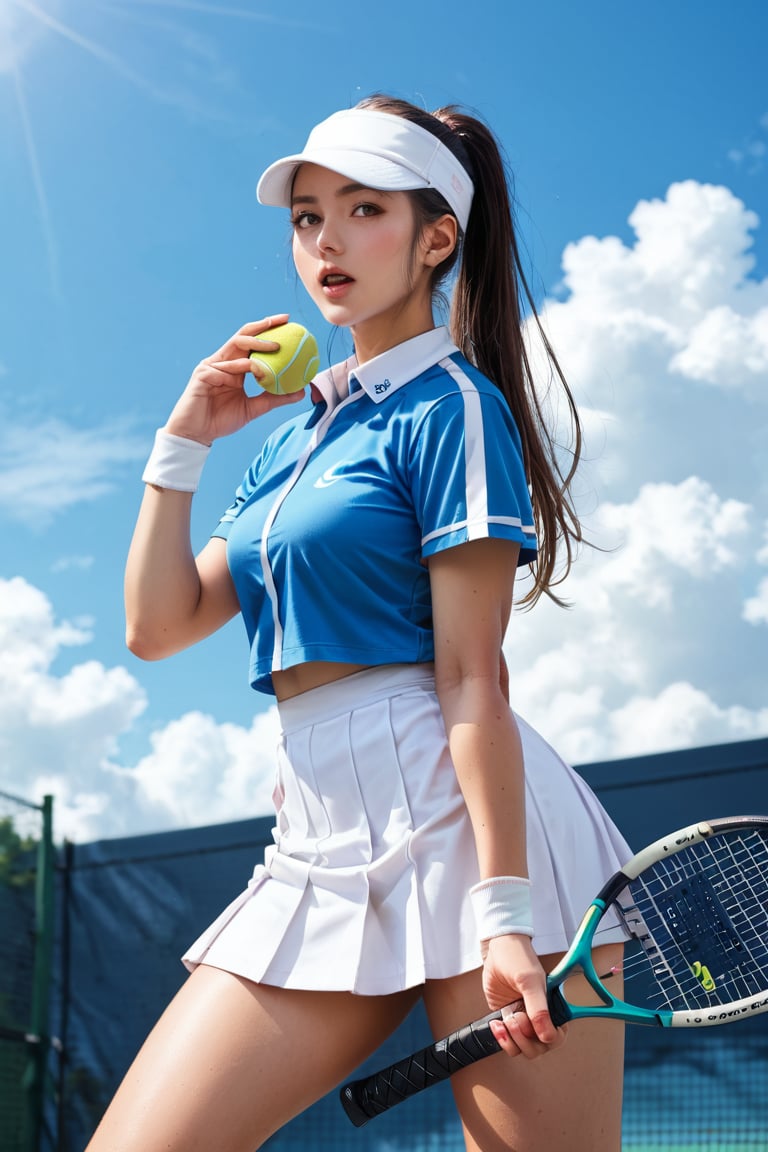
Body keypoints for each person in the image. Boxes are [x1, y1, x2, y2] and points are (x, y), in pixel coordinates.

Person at [90, 95, 631, 1152]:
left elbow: (475, 681)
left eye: (362, 208)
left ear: (436, 240)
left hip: (473, 833)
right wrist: (183, 442)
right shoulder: (291, 445)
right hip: (319, 835)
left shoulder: (455, 408)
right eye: (305, 216)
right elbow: (156, 628)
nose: (325, 239)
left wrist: (509, 917)